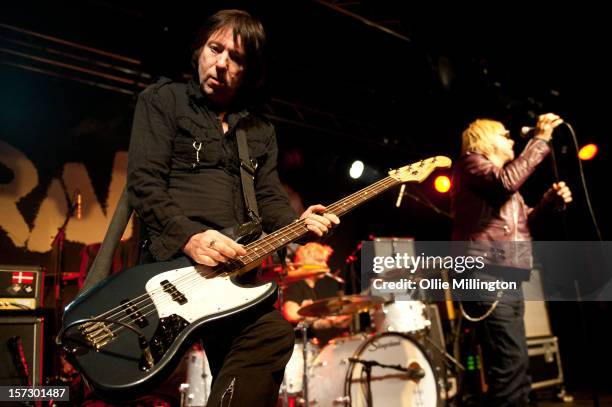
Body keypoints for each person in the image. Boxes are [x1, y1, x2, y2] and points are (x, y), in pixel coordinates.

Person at [127, 9, 339, 406]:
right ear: (199, 50)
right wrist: (189, 237)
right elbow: (144, 183)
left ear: (249, 70)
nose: (222, 63)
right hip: (172, 267)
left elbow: (270, 196)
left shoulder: (258, 129)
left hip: (236, 270)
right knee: (150, 385)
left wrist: (299, 224)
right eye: (215, 48)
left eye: (236, 58)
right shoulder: (164, 100)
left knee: (270, 335)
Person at [451, 113, 572, 407]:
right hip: (484, 274)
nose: (511, 139)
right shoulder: (472, 163)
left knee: (516, 364)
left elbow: (522, 222)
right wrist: (540, 140)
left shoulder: (498, 181)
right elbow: (506, 182)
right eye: (504, 135)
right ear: (484, 140)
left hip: (506, 275)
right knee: (509, 366)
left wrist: (548, 202)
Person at [282, 242, 351, 344]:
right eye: (320, 261)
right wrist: (304, 312)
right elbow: (291, 314)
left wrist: (336, 321)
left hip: (328, 344)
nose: (325, 265)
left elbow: (322, 321)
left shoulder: (326, 285)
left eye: (325, 261)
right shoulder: (294, 285)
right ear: (306, 262)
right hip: (303, 345)